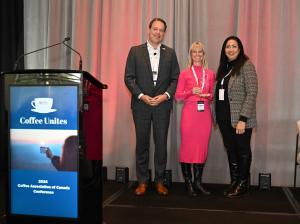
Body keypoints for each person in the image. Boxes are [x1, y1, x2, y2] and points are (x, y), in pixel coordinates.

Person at [124, 18, 180, 196]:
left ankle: (160, 181)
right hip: (141, 105)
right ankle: (142, 181)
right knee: (142, 144)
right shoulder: (135, 51)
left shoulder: (170, 53)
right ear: (148, 30)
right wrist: (141, 96)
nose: (158, 32)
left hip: (162, 106)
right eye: (155, 29)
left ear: (164, 33)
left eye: (161, 30)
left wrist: (165, 96)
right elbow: (129, 77)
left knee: (161, 144)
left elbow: (175, 79)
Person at [213, 36, 258, 198]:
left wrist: (243, 119)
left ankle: (243, 183)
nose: (230, 49)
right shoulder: (223, 67)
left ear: (240, 49)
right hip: (224, 118)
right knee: (231, 150)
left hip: (240, 120)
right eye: (227, 46)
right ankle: (235, 181)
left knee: (243, 151)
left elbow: (252, 93)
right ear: (224, 50)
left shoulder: (246, 66)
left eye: (234, 46)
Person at [175, 41, 215, 197]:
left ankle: (198, 182)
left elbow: (212, 94)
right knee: (187, 148)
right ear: (190, 54)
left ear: (204, 54)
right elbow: (178, 96)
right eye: (194, 52)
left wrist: (208, 95)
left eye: (200, 52)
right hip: (190, 113)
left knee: (201, 148)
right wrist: (191, 91)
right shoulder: (184, 73)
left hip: (204, 113)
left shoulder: (210, 73)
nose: (197, 54)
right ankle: (188, 183)